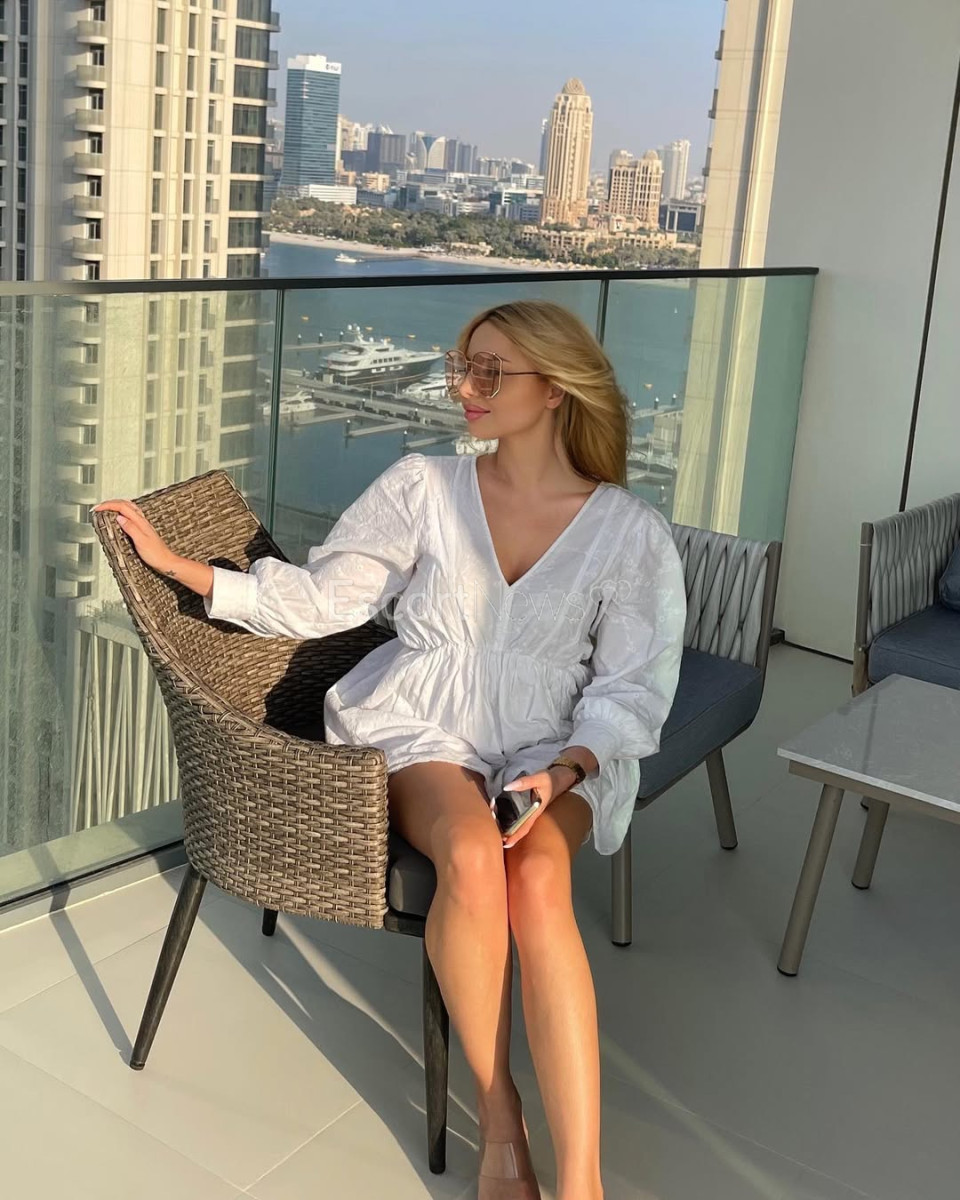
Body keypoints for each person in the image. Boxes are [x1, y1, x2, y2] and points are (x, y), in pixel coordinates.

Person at [93, 300, 687, 1200]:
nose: (464, 388)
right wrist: (188, 571)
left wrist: (566, 768)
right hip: (424, 723)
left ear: (556, 388)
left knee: (540, 881)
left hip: (557, 743)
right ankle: (500, 1117)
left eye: (490, 371)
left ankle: (582, 1184)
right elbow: (328, 600)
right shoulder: (424, 486)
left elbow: (633, 688)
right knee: (472, 856)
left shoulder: (629, 532)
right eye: (461, 366)